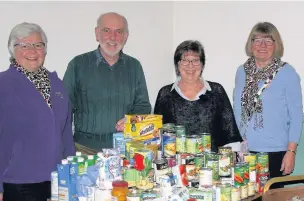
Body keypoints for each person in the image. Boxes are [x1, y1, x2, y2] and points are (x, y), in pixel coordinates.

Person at [0, 22, 75, 201]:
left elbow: (66, 132)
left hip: (57, 179)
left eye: (38, 45)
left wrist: (73, 171)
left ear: (45, 50)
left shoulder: (56, 83)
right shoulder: (3, 84)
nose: (33, 51)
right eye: (25, 45)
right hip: (18, 182)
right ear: (12, 50)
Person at [63, 12, 151, 154]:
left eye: (119, 31)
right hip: (84, 150)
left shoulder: (134, 66)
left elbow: (143, 106)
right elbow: (64, 107)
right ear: (97, 34)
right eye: (106, 30)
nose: (112, 37)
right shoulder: (78, 64)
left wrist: (132, 120)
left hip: (125, 149)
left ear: (125, 36)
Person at [233, 22, 303, 188]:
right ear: (251, 44)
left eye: (268, 40)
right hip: (247, 149)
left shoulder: (287, 72)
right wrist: (241, 139)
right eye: (257, 40)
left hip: (276, 150)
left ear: (276, 44)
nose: (262, 45)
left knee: (272, 197)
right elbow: (237, 107)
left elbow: (296, 114)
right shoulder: (242, 71)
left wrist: (291, 151)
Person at [154, 40, 242, 152]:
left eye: (195, 60)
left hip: (212, 165)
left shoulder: (216, 91)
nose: (190, 66)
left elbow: (230, 134)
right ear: (177, 64)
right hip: (176, 166)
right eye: (185, 61)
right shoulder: (165, 94)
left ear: (202, 64)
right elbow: (157, 137)